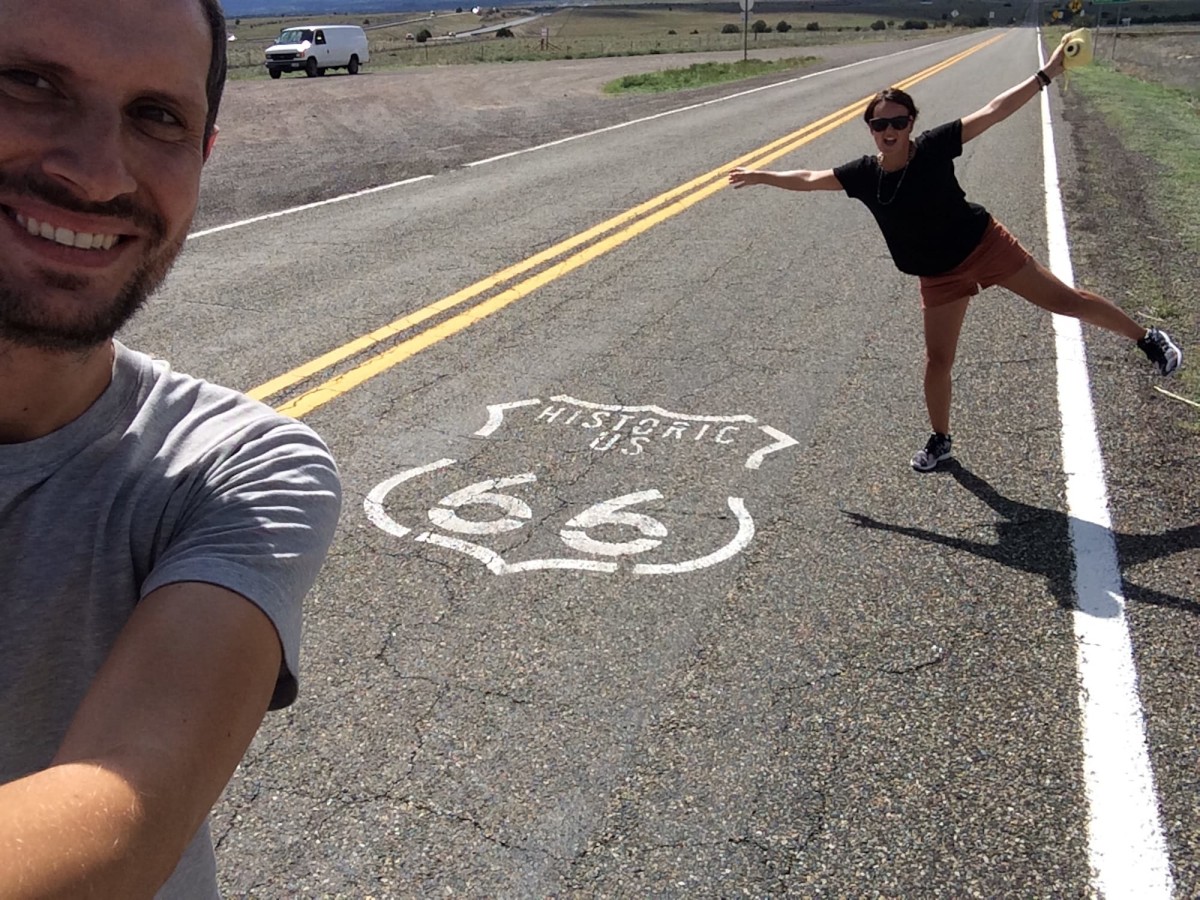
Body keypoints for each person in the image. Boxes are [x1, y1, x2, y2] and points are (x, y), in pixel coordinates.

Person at [0, 1, 342, 897]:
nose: (97, 173)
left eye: (157, 117)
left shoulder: (233, 469)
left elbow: (118, 821)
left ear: (203, 156)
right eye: (29, 83)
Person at [729, 39, 1182, 472]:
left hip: (984, 247)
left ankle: (1148, 339)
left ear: (911, 123)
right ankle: (940, 440)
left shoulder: (934, 147)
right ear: (870, 129)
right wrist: (762, 175)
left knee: (1064, 302)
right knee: (938, 360)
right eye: (879, 124)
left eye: (898, 122)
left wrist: (1046, 75)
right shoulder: (864, 175)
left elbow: (994, 111)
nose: (889, 131)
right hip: (938, 275)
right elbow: (810, 177)